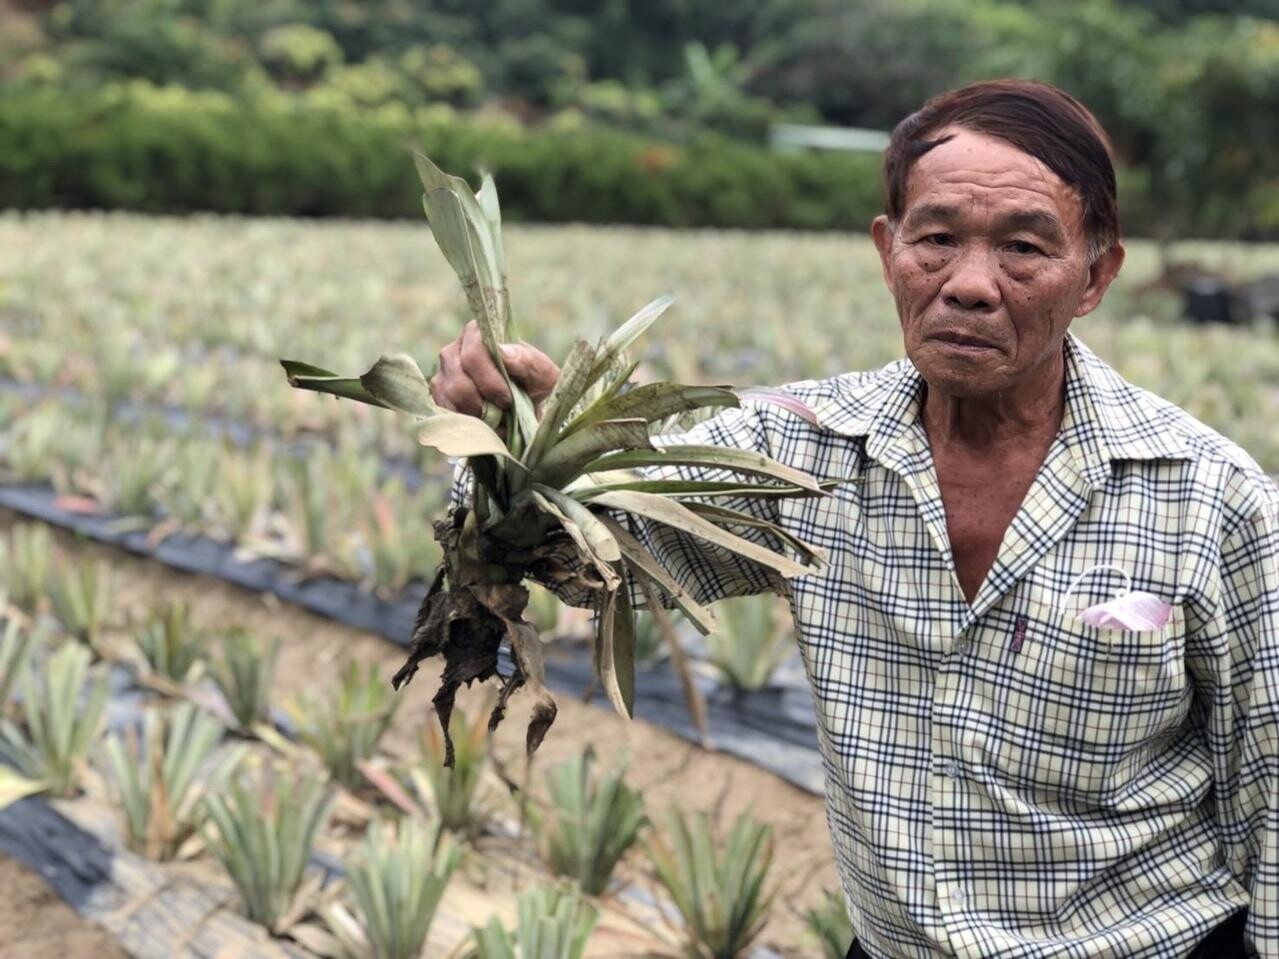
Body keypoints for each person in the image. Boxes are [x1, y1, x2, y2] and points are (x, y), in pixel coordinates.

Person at [429, 79, 1279, 959]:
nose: (971, 286)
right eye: (937, 239)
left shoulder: (1207, 497)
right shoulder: (797, 451)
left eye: (1024, 248)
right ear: (888, 250)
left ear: (1095, 275)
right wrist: (513, 442)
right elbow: (591, 551)